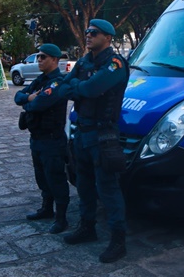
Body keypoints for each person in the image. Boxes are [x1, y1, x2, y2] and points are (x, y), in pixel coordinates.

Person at [59, 19, 130, 263]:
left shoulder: (115, 63)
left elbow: (90, 90)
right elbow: (64, 88)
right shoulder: (84, 61)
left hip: (103, 135)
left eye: (94, 33)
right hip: (82, 133)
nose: (88, 35)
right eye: (87, 31)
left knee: (108, 189)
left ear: (108, 38)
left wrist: (79, 86)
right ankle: (86, 227)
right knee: (84, 185)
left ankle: (118, 240)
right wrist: (81, 85)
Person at [14, 43, 70, 234]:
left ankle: (61, 218)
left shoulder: (57, 82)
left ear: (54, 60)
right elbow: (18, 96)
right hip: (37, 137)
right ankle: (46, 208)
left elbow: (40, 104)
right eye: (38, 57)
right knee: (41, 176)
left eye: (43, 57)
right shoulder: (40, 80)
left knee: (56, 178)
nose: (39, 60)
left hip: (52, 139)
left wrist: (29, 102)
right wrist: (28, 98)